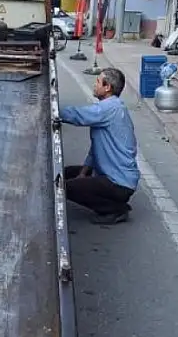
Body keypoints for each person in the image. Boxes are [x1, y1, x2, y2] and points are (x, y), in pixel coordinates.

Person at [58, 67, 140, 225]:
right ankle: (108, 201)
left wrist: (53, 110)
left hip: (118, 182)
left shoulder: (110, 108)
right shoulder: (114, 108)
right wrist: (83, 172)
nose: (94, 85)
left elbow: (79, 115)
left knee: (67, 187)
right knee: (64, 174)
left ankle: (116, 209)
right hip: (107, 173)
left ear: (107, 87)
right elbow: (95, 150)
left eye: (97, 82)